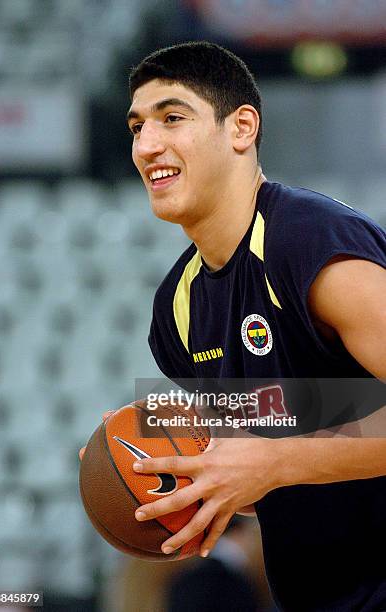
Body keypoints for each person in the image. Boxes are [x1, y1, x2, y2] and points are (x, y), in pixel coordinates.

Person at [80, 41, 386, 610]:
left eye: (173, 117)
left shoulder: (308, 240)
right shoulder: (176, 309)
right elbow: (294, 438)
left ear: (241, 127)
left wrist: (275, 461)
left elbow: (287, 455)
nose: (147, 145)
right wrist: (160, 458)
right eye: (136, 127)